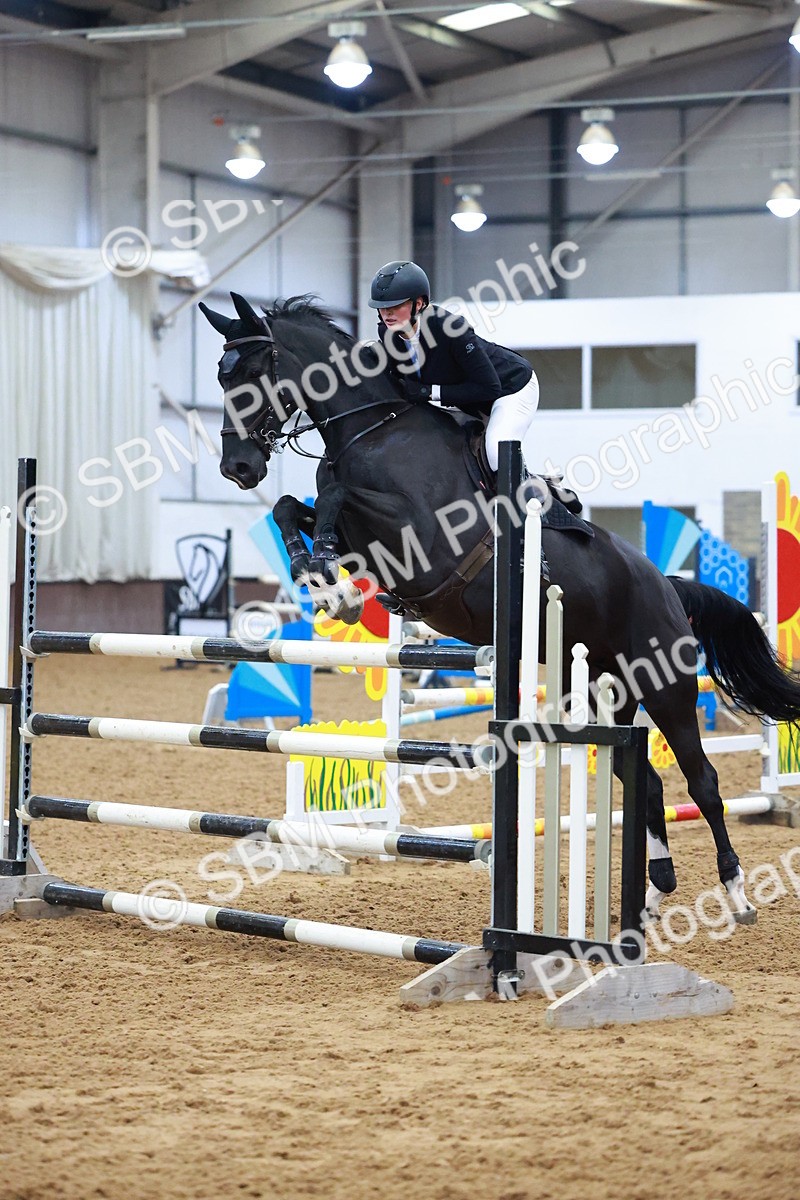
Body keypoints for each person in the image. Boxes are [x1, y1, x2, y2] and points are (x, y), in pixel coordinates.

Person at [368, 259, 539, 472]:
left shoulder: (452, 329)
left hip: (511, 387)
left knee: (496, 453)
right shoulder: (387, 332)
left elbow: (489, 388)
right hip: (467, 398)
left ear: (418, 304)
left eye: (395, 306)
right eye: (382, 308)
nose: (387, 314)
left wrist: (429, 392)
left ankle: (529, 498)